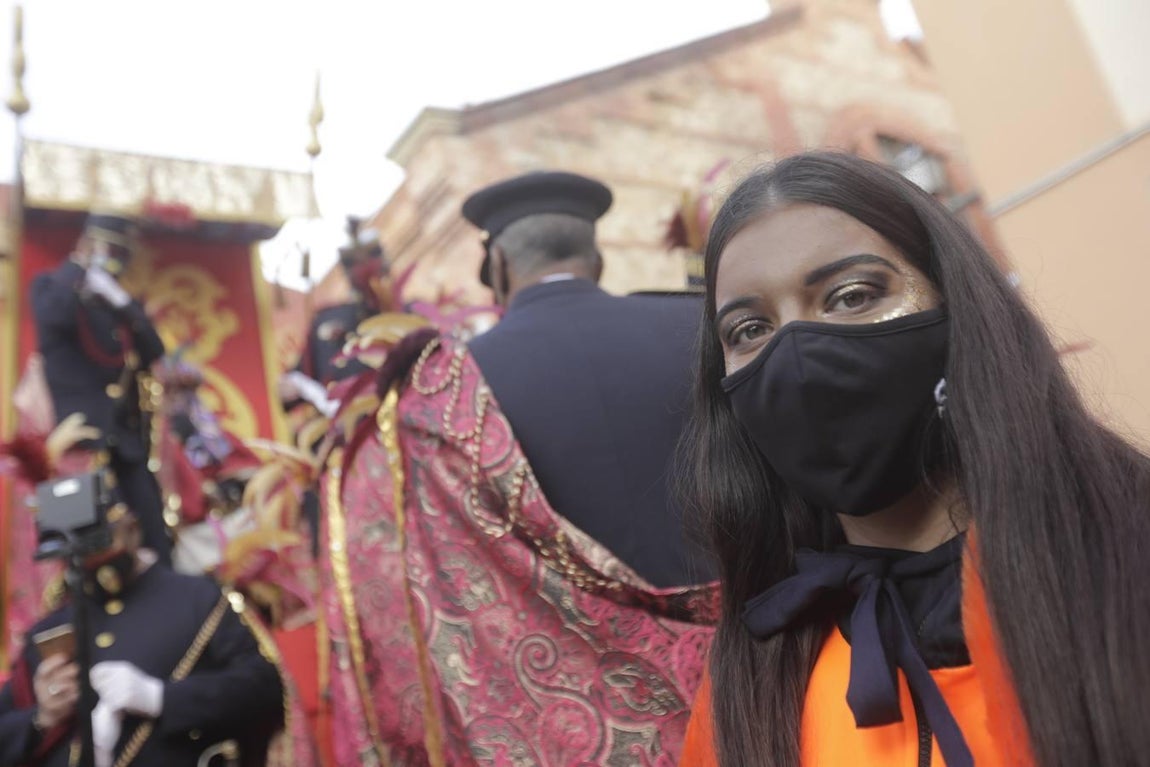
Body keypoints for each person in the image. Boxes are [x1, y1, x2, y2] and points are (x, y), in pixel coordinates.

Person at [677, 151, 1150, 766]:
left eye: (852, 296)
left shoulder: (1125, 556)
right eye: (748, 329)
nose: (795, 351)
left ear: (955, 308)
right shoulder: (752, 675)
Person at [316, 170, 717, 766]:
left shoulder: (443, 389)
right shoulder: (704, 328)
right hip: (756, 690)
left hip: (567, 734)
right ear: (596, 253)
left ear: (498, 264)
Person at [464, 170, 707, 587]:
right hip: (750, 629)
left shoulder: (461, 373)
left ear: (499, 264)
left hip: (574, 645)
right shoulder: (696, 322)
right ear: (597, 260)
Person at [0, 479, 287, 767]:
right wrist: (42, 720)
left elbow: (265, 688)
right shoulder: (49, 631)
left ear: (131, 528)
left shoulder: (196, 598)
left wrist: (161, 698)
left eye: (99, 539)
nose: (91, 559)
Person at [30, 213, 171, 565]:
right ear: (85, 244)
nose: (113, 262)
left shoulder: (113, 303)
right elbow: (53, 318)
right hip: (78, 437)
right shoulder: (51, 286)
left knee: (152, 529)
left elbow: (153, 349)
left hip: (124, 436)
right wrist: (77, 270)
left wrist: (121, 301)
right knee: (79, 546)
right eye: (107, 250)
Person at [280, 217, 391, 415]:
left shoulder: (412, 312)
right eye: (352, 263)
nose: (363, 268)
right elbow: (302, 374)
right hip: (349, 425)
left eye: (370, 258)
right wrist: (288, 385)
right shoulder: (327, 318)